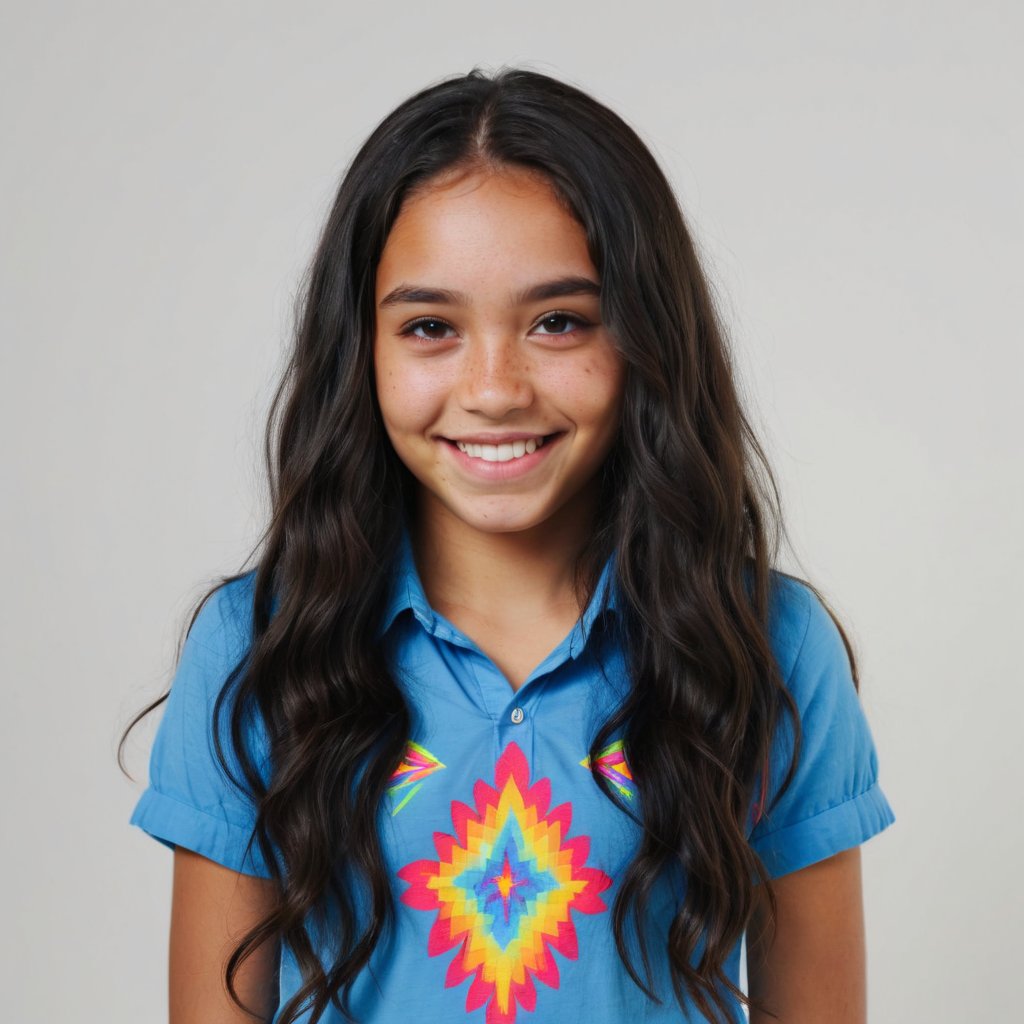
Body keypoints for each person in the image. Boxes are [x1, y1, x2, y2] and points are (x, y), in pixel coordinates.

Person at [120, 66, 895, 1024]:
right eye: (431, 326)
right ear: (359, 349)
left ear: (648, 337)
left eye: (559, 321)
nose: (494, 388)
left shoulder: (769, 643)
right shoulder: (256, 648)